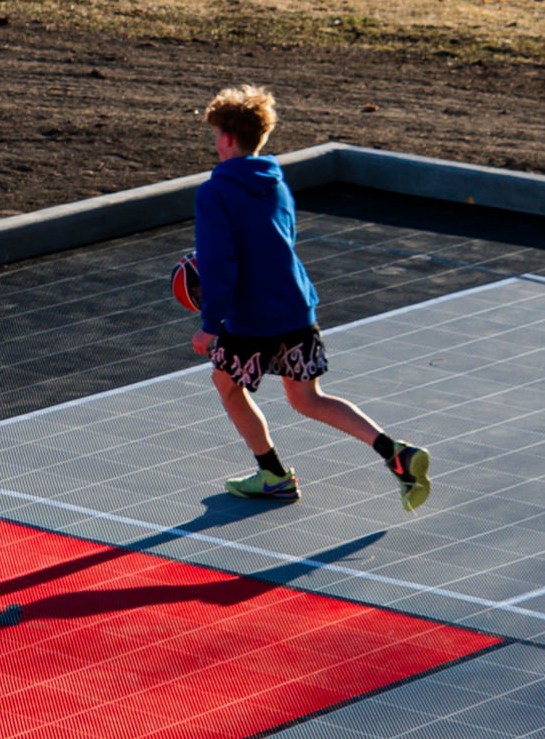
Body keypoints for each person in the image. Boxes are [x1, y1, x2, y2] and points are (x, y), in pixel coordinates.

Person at [179, 83, 431, 514]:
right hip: (296, 305)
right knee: (307, 398)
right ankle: (394, 451)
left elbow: (221, 264)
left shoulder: (214, 192)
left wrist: (209, 325)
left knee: (226, 384)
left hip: (252, 317)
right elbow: (285, 237)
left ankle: (274, 475)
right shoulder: (275, 180)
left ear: (225, 137)